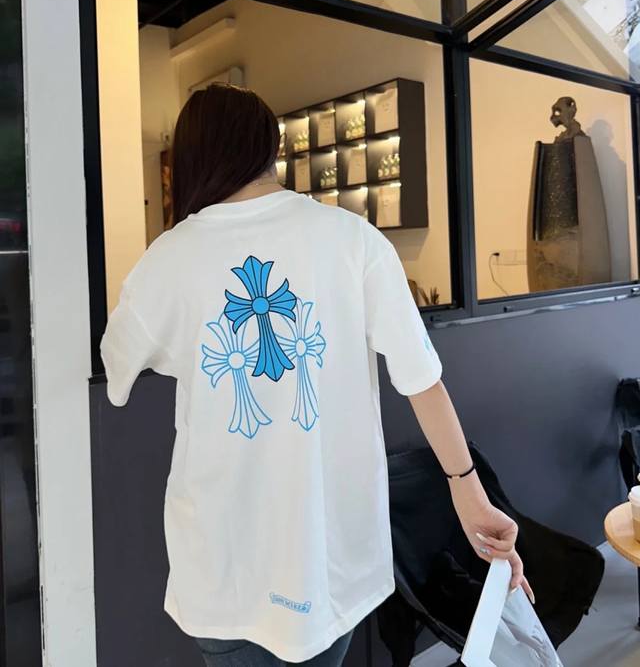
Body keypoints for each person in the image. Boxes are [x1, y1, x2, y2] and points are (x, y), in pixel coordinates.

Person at [101, 84, 533, 667]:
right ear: (270, 149)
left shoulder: (169, 258)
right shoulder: (354, 240)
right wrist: (470, 493)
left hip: (225, 565)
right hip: (332, 564)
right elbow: (421, 380)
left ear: (193, 158)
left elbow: (118, 367)